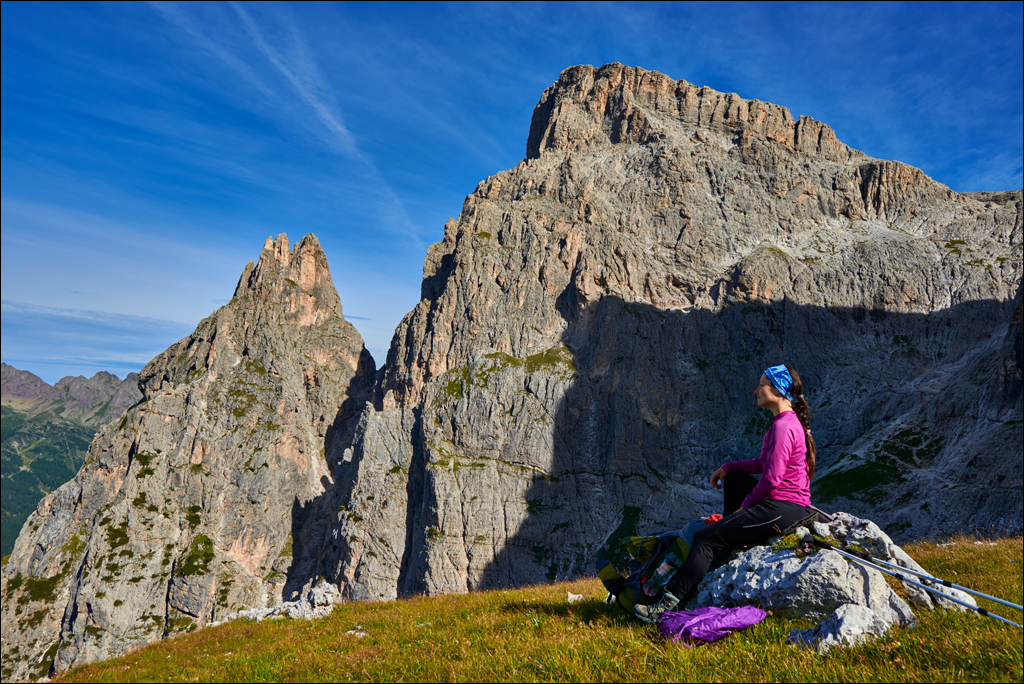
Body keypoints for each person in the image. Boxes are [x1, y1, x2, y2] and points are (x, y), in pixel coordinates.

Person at [633, 364, 820, 623]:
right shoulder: (783, 422)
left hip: (786, 509)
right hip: (784, 505)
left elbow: (771, 480)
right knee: (733, 479)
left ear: (776, 390)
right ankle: (730, 536)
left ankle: (667, 606)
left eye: (761, 385)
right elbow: (762, 464)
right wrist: (728, 467)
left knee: (704, 538)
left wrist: (745, 508)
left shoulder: (783, 427)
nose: (755, 390)